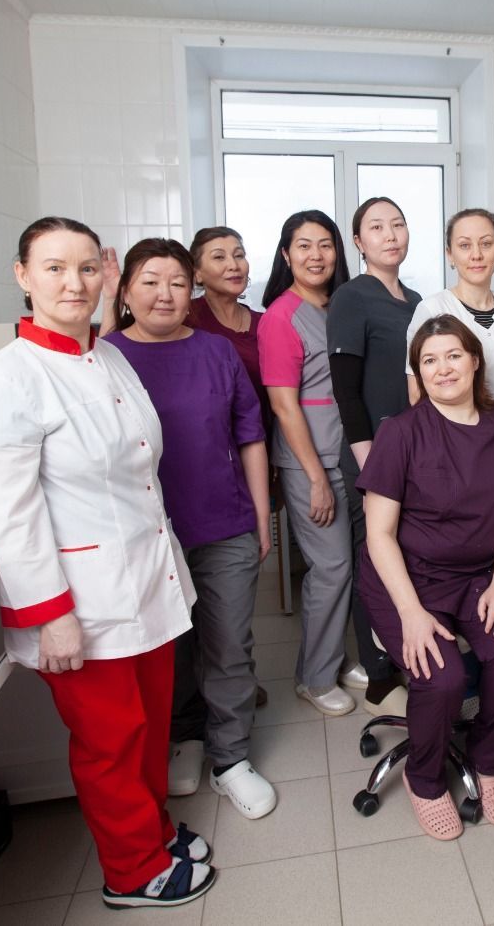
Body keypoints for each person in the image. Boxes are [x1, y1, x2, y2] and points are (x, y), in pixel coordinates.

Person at [0, 217, 214, 909]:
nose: (73, 283)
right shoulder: (3, 382)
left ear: (105, 276)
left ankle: (155, 833)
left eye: (86, 268)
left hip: (146, 582)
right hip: (82, 600)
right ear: (23, 276)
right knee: (110, 742)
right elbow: (12, 517)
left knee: (149, 727)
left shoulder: (108, 357)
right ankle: (132, 871)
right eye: (54, 268)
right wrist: (52, 616)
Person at [102, 238, 277, 821]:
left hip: (224, 524)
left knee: (228, 644)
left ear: (192, 288)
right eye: (150, 282)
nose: (165, 294)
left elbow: (250, 436)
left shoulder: (216, 351)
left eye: (177, 282)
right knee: (169, 646)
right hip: (145, 534)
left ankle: (231, 758)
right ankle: (186, 736)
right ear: (126, 291)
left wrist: (260, 517)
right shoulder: (106, 357)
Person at [358, 315, 494, 841]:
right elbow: (379, 535)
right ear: (418, 371)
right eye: (429, 360)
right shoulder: (401, 432)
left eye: (453, 355)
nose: (443, 368)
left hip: (481, 575)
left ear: (475, 360)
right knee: (442, 677)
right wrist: (410, 613)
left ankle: (489, 761)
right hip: (407, 577)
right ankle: (425, 778)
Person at [260, 211, 358, 717]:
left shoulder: (338, 306)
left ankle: (334, 658)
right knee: (331, 565)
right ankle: (314, 678)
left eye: (325, 244)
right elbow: (283, 405)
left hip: (346, 453)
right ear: (286, 254)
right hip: (310, 463)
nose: (316, 255)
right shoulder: (281, 317)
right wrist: (316, 478)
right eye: (304, 245)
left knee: (350, 564)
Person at [328, 197, 422, 715]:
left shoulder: (418, 301)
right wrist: (371, 469)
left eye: (398, 225)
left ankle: (411, 659)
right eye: (377, 227)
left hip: (414, 453)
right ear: (359, 242)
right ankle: (379, 678)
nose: (390, 235)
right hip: (373, 456)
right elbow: (346, 391)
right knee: (376, 562)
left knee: (409, 558)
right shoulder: (351, 297)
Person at [405, 208, 494, 434]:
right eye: (465, 245)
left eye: (486, 244)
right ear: (450, 254)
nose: (476, 255)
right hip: (452, 442)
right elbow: (417, 392)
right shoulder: (430, 310)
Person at [186, 227, 271, 435]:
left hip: (263, 437)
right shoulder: (185, 318)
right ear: (197, 273)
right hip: (207, 440)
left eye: (239, 255)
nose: (233, 265)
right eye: (219, 257)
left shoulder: (265, 323)